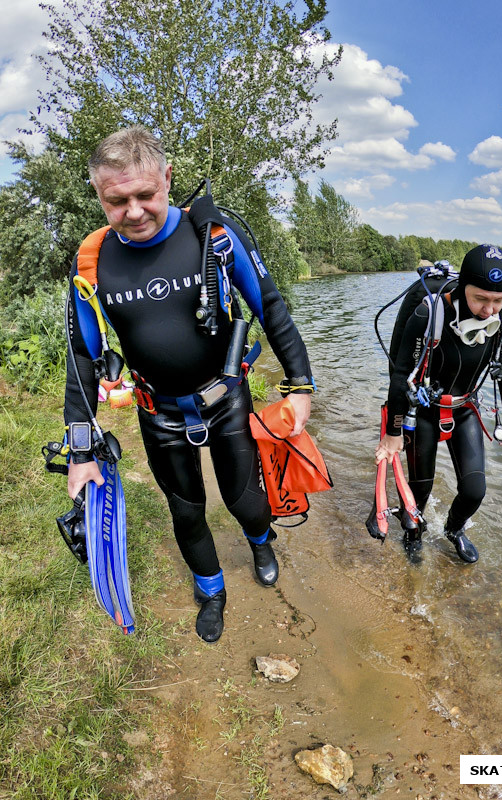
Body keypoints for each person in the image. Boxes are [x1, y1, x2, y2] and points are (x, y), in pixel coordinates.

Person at [64, 127, 314, 643]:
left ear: (168, 179)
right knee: (187, 510)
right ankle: (211, 590)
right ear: (99, 196)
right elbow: (83, 359)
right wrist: (80, 451)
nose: (133, 211)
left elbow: (270, 308)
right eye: (117, 200)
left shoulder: (215, 236)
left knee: (244, 498)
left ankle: (260, 541)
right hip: (158, 414)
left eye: (146, 195)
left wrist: (300, 385)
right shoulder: (92, 261)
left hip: (225, 400)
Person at [374, 244, 502, 564]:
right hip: (422, 411)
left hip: (465, 408)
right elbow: (400, 376)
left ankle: (454, 530)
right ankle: (414, 534)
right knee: (419, 492)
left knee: (474, 490)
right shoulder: (429, 313)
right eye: (480, 298)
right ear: (463, 286)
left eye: (498, 299)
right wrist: (393, 432)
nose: (489, 310)